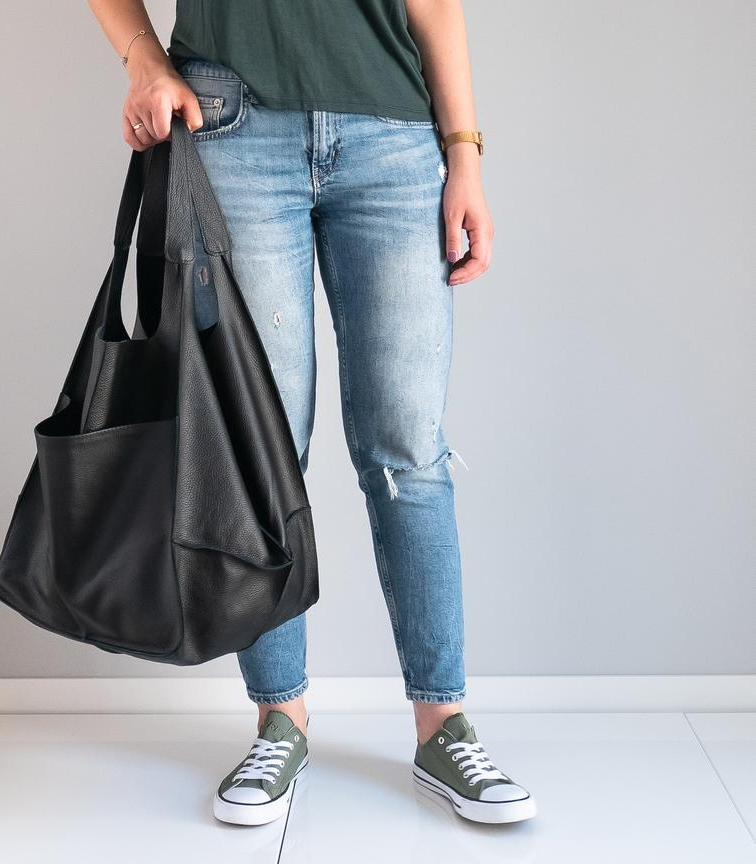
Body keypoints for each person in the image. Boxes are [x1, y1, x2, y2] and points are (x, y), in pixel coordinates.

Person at [88, 0, 536, 827]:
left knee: (408, 454)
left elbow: (433, 4)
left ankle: (443, 726)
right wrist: (143, 59)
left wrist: (464, 155)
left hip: (395, 135)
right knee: (259, 451)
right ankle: (278, 720)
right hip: (233, 127)